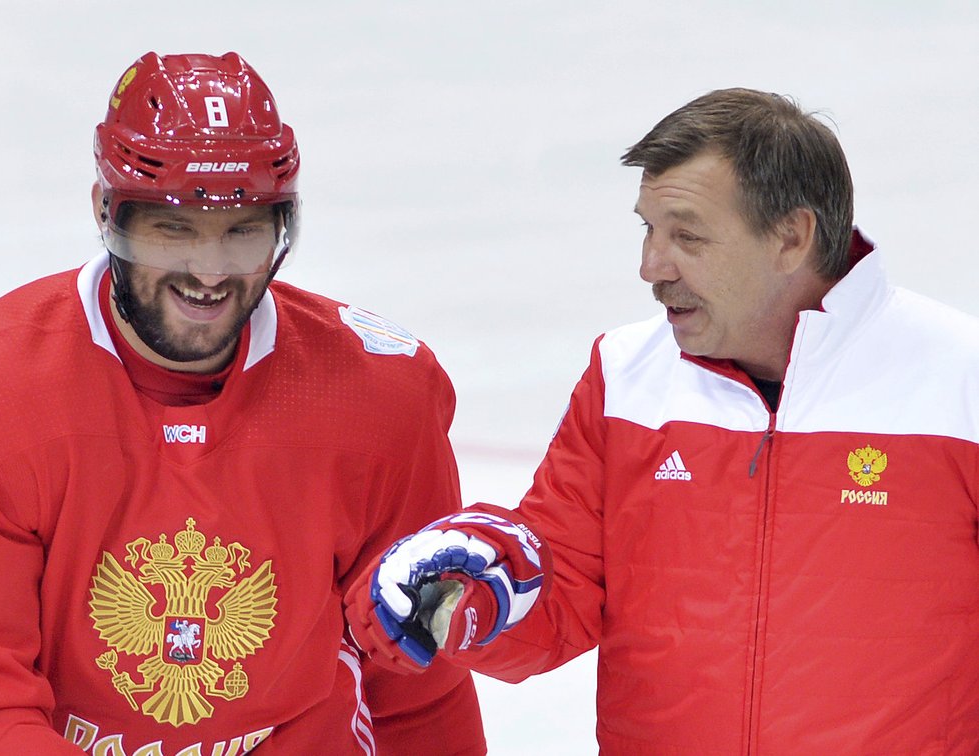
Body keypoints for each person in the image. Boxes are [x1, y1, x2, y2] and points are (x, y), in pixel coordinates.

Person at [345, 88, 979, 752]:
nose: (651, 267)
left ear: (791, 238)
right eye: (648, 229)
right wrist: (467, 594)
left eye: (688, 236)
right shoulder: (626, 377)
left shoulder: (957, 381)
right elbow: (555, 595)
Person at [0, 51, 486, 755]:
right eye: (172, 228)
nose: (210, 271)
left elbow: (418, 691)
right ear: (104, 211)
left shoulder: (383, 398)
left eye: (243, 229)